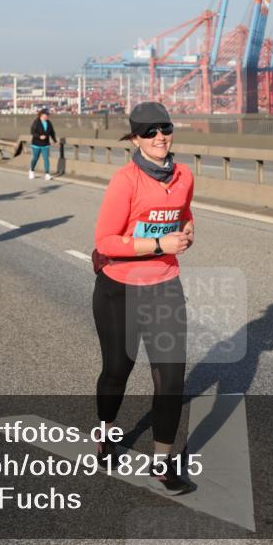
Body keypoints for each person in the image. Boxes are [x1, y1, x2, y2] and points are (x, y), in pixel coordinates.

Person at [91, 102, 195, 496]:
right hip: (119, 288)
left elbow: (185, 213)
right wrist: (158, 243)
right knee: (118, 369)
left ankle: (163, 463)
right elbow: (104, 241)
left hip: (165, 285)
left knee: (170, 378)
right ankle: (105, 432)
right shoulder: (125, 181)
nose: (160, 137)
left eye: (165, 128)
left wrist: (186, 232)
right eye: (149, 132)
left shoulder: (184, 175)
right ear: (135, 138)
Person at [28, 106, 57, 180]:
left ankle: (47, 174)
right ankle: (31, 170)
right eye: (46, 115)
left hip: (45, 144)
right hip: (36, 143)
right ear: (42, 115)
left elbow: (52, 132)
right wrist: (39, 136)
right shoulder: (36, 122)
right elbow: (32, 132)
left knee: (46, 159)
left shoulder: (49, 122)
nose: (47, 116)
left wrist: (55, 141)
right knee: (35, 158)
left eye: (48, 115)